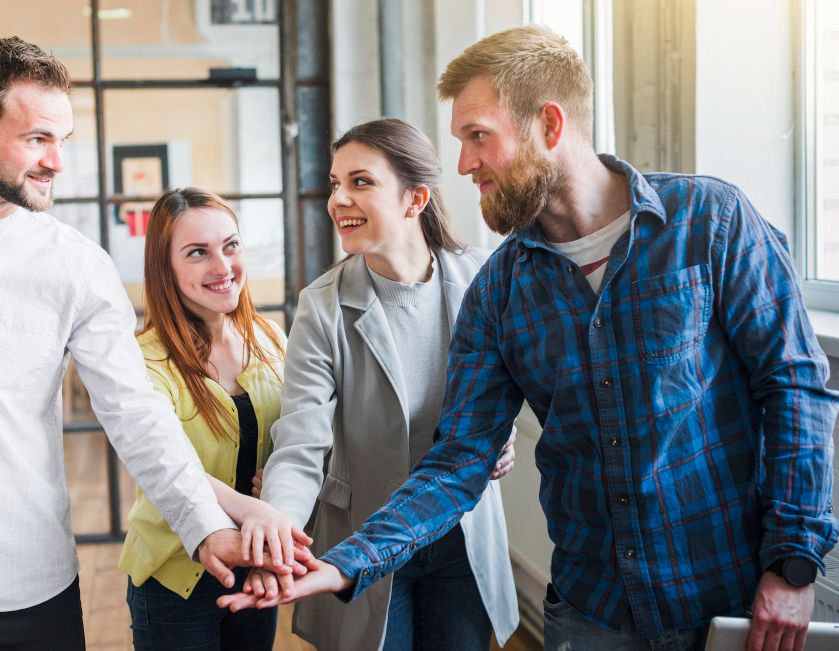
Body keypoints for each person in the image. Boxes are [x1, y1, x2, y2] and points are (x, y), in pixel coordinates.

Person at [220, 25, 839, 651]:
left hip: (729, 597)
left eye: (478, 136)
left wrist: (793, 562)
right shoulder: (498, 290)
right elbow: (460, 460)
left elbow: (794, 387)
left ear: (549, 123)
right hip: (592, 611)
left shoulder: (710, 221)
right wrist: (347, 562)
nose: (464, 164)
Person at [0, 38, 306, 651]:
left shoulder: (79, 267)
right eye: (38, 139)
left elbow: (136, 416)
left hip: (25, 580)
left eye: (63, 140)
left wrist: (202, 527)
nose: (57, 161)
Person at [235, 118, 520, 651]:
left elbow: (511, 385)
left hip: (462, 536)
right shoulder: (322, 306)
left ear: (416, 199)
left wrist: (499, 437)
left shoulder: (483, 277)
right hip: (362, 537)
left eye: (360, 182)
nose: (338, 199)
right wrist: (278, 532)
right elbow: (300, 445)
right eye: (335, 183)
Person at [119, 188, 292, 651]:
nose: (222, 266)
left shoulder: (271, 340)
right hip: (175, 577)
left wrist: (279, 485)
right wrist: (252, 508)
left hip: (257, 564)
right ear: (165, 268)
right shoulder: (142, 358)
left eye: (230, 245)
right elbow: (165, 462)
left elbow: (302, 434)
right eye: (198, 252)